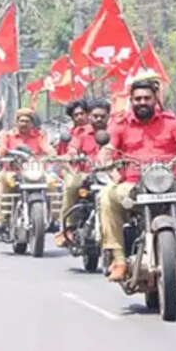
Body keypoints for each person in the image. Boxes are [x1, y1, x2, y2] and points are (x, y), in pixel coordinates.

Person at [97, 72, 176, 281]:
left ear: (155, 99)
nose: (142, 102)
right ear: (131, 101)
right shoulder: (120, 123)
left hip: (168, 182)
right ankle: (118, 261)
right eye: (137, 99)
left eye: (147, 98)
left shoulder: (171, 122)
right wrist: (109, 167)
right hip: (132, 184)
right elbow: (107, 149)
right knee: (106, 198)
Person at [0, 108, 57, 227]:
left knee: (52, 182)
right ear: (16, 122)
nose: (24, 124)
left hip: (35, 172)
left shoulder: (39, 136)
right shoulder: (7, 135)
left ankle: (52, 217)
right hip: (12, 171)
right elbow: (2, 148)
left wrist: (53, 155)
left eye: (27, 121)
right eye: (22, 121)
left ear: (31, 123)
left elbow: (46, 147)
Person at [55, 99, 110, 247]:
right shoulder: (81, 133)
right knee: (72, 185)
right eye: (95, 116)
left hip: (110, 175)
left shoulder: (114, 131)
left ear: (108, 116)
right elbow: (72, 148)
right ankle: (68, 227)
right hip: (86, 174)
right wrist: (72, 155)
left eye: (102, 116)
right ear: (90, 116)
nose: (99, 119)